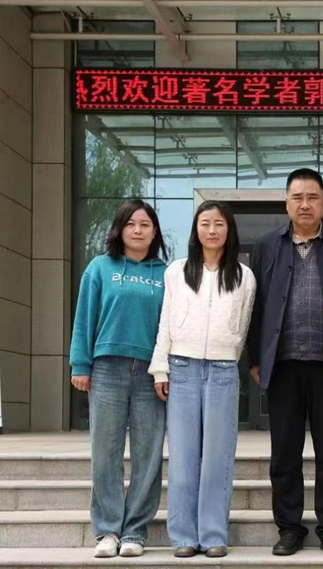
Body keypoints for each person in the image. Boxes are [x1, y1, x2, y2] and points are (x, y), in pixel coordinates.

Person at [247, 168, 323, 557]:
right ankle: (289, 528)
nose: (305, 204)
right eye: (297, 197)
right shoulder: (267, 244)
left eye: (312, 197)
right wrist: (256, 357)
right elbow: (255, 305)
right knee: (284, 453)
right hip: (282, 365)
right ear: (286, 203)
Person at [148, 201, 256, 558]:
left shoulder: (243, 275)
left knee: (217, 458)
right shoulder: (177, 271)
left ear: (229, 230)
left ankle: (213, 535)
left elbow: (243, 326)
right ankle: (183, 536)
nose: (212, 230)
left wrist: (229, 357)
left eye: (219, 223)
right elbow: (165, 321)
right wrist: (160, 368)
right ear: (196, 229)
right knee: (182, 457)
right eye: (205, 223)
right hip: (182, 368)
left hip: (223, 371)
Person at [69, 199, 169, 558]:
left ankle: (135, 532)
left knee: (148, 454)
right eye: (131, 224)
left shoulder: (167, 274)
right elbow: (84, 316)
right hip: (107, 369)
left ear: (154, 232)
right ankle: (108, 530)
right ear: (120, 229)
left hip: (150, 373)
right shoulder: (100, 267)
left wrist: (166, 370)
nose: (138, 230)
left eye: (145, 224)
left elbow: (171, 327)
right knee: (105, 452)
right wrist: (80, 364)